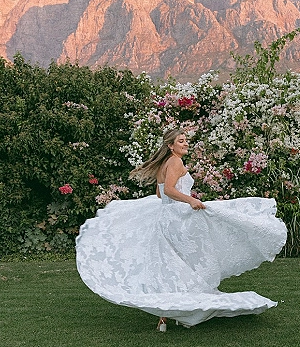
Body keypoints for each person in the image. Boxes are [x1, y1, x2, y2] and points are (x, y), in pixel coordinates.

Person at [76, 128, 287, 330]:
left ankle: (168, 314)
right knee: (197, 256)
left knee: (176, 265)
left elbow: (160, 195)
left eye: (186, 140)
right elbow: (168, 190)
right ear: (170, 146)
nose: (186, 143)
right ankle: (180, 309)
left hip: (167, 217)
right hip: (176, 217)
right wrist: (189, 200)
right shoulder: (175, 161)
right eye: (181, 141)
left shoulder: (164, 164)